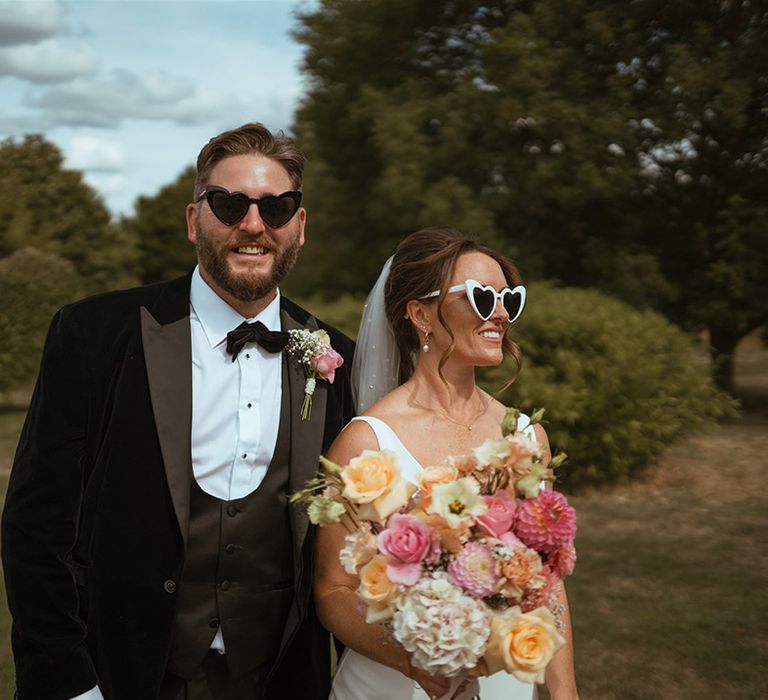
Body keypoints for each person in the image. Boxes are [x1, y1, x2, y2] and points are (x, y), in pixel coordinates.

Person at [1, 123, 355, 700]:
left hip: (282, 681)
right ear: (195, 220)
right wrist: (68, 681)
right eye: (229, 203)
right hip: (118, 678)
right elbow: (35, 529)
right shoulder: (94, 335)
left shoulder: (338, 359)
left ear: (300, 226)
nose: (253, 224)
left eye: (277, 206)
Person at [314, 228, 579, 700]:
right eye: (481, 298)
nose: (500, 314)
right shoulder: (365, 443)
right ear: (420, 314)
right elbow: (334, 591)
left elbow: (548, 583)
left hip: (503, 683)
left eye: (509, 300)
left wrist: (565, 694)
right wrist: (416, 663)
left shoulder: (525, 436)